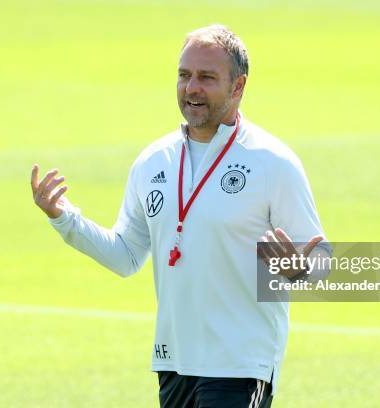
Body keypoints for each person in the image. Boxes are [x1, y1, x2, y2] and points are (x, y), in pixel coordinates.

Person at [30, 24, 329, 408]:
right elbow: (126, 256)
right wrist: (64, 218)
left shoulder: (273, 163)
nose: (192, 88)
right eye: (184, 75)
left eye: (207, 78)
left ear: (238, 87)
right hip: (174, 360)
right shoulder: (153, 161)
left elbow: (319, 259)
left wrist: (296, 268)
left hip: (240, 363)